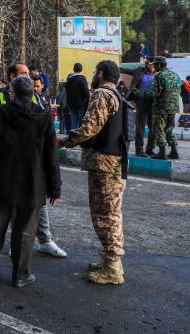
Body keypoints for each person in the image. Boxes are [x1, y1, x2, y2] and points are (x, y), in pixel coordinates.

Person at [0, 76, 61, 287]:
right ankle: (20, 275)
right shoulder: (44, 117)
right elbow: (51, 156)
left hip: (2, 181)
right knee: (25, 233)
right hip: (33, 185)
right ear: (33, 93)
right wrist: (55, 188)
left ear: (12, 93)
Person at [58, 60, 128, 284]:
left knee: (104, 215)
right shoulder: (117, 95)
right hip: (115, 162)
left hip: (104, 164)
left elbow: (89, 128)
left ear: (100, 73)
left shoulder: (102, 94)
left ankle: (113, 268)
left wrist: (64, 141)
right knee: (110, 213)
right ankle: (110, 260)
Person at [135, 56, 182, 160]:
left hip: (161, 108)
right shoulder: (175, 75)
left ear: (159, 65)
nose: (154, 66)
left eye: (155, 64)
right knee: (169, 129)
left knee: (158, 129)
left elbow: (154, 94)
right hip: (173, 107)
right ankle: (174, 151)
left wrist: (139, 93)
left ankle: (162, 152)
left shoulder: (159, 76)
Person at [122, 58, 155, 156]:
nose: (147, 65)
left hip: (154, 102)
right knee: (140, 127)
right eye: (146, 63)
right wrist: (114, 67)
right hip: (141, 101)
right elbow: (127, 71)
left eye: (149, 63)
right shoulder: (140, 70)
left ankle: (150, 149)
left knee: (153, 126)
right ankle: (139, 150)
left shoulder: (159, 73)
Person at [65, 63, 90, 131]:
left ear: (73, 69)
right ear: (81, 69)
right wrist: (88, 100)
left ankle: (73, 138)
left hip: (71, 105)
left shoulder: (69, 79)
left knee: (74, 123)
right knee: (82, 123)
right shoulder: (82, 78)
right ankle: (81, 140)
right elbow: (86, 92)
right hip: (81, 105)